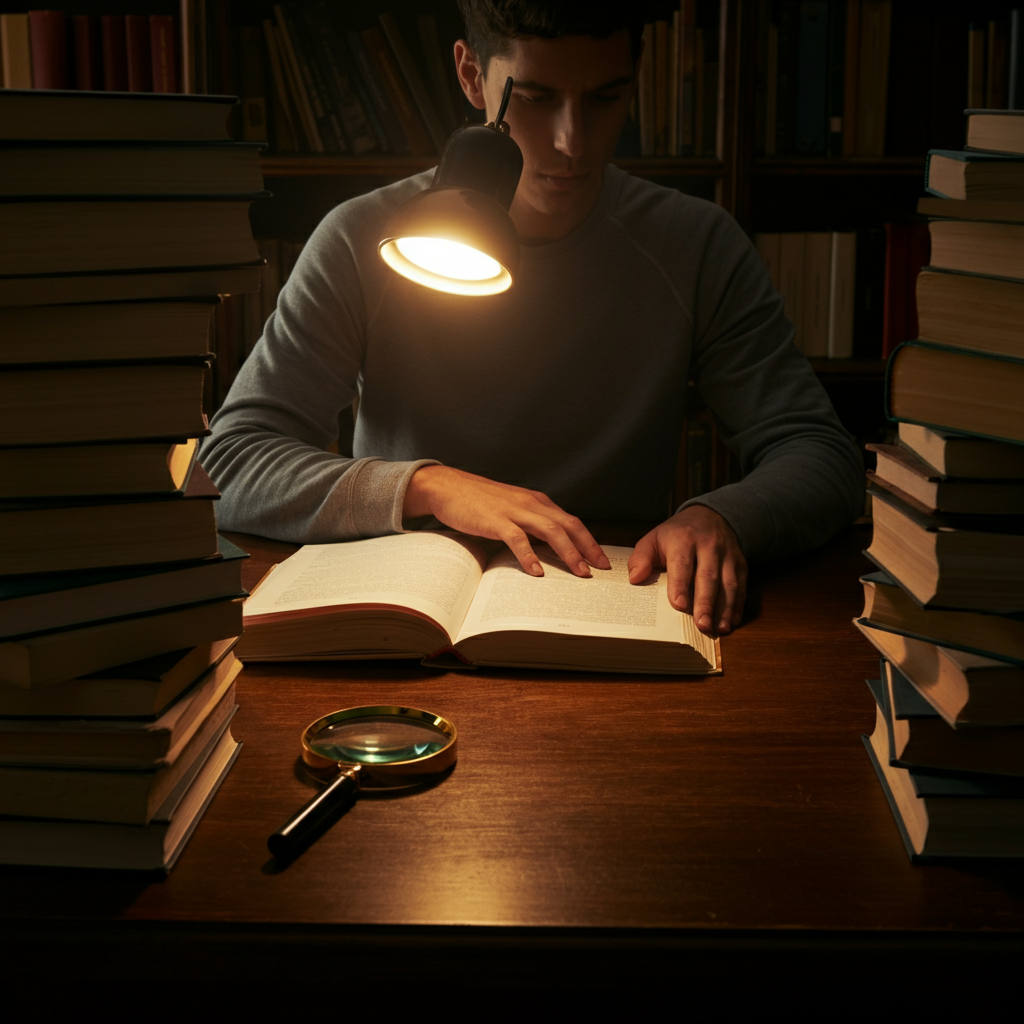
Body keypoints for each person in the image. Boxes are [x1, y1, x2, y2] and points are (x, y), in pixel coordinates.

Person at [200, 0, 864, 638]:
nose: (573, 141)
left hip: (611, 609)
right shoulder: (362, 237)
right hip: (400, 626)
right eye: (538, 98)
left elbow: (822, 455)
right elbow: (229, 466)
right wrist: (430, 486)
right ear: (470, 76)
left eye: (606, 98)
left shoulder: (694, 246)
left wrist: (725, 514)